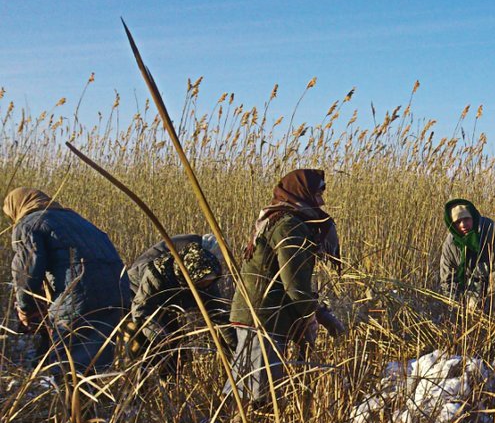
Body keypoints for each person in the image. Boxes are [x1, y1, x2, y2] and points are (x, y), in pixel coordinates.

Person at [227, 169, 345, 403]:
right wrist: (315, 315)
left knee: (249, 390)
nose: (321, 200)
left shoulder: (282, 219)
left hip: (260, 316)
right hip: (263, 319)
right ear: (302, 193)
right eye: (317, 193)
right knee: (256, 396)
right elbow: (294, 284)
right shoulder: (289, 225)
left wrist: (315, 313)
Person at [5, 188, 130, 374]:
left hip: (80, 297)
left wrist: (25, 307)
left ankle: (70, 401)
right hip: (119, 293)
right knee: (95, 367)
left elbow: (26, 272)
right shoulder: (80, 221)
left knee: (68, 368)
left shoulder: (29, 223)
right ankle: (97, 403)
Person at [125, 234, 233, 372]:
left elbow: (219, 316)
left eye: (208, 283)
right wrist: (159, 337)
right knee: (140, 350)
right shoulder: (157, 272)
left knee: (176, 355)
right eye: (201, 284)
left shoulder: (204, 276)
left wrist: (234, 348)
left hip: (167, 303)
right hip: (136, 298)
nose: (205, 286)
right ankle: (138, 386)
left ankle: (167, 384)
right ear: (189, 279)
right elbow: (141, 310)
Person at [438, 199, 495, 312]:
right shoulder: (450, 244)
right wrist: (457, 307)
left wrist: (487, 307)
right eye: (458, 222)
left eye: (466, 219)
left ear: (473, 217)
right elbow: (448, 279)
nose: (463, 225)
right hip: (470, 294)